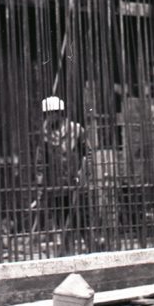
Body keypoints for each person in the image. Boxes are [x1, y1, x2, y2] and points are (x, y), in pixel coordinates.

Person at [30, 95, 92, 254]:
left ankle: (93, 250)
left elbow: (88, 154)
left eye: (53, 113)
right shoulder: (45, 135)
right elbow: (40, 162)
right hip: (55, 186)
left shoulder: (76, 130)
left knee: (80, 220)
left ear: (60, 112)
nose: (50, 117)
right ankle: (67, 253)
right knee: (62, 220)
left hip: (75, 183)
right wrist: (40, 187)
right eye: (47, 114)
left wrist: (83, 173)